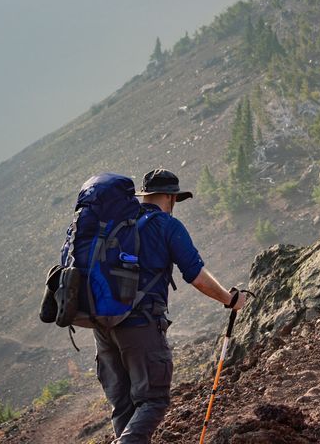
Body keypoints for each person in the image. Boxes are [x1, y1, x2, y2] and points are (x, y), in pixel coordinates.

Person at [94, 168, 247, 444]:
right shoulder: (167, 225)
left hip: (102, 324)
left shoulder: (119, 223)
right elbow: (197, 277)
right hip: (140, 324)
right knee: (153, 400)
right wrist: (231, 299)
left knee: (125, 405)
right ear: (169, 197)